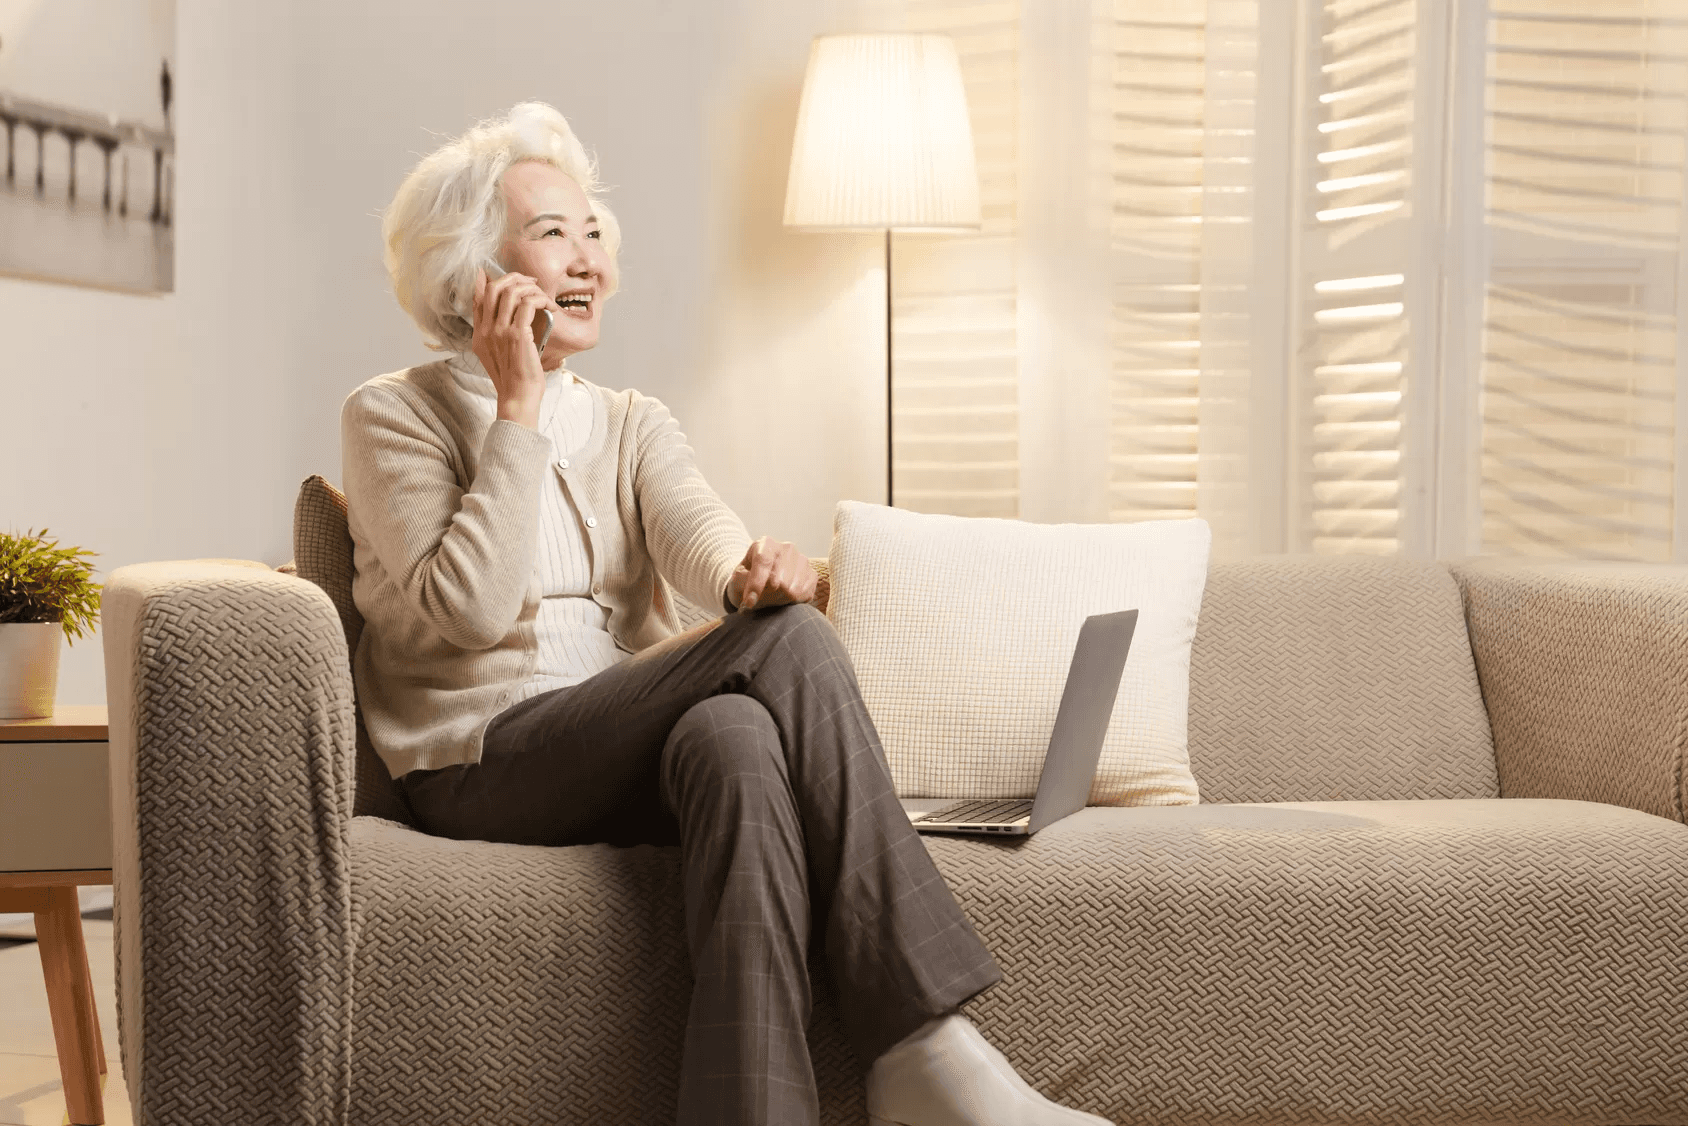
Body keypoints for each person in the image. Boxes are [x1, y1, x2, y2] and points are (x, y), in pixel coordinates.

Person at [342, 101, 1111, 1126]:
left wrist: (753, 576)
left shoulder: (628, 421)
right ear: (475, 271)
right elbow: (471, 613)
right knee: (782, 651)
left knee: (737, 734)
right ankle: (924, 1042)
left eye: (594, 232)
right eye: (553, 233)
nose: (588, 258)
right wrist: (515, 413)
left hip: (611, 736)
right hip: (479, 761)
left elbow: (704, 546)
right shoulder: (393, 413)